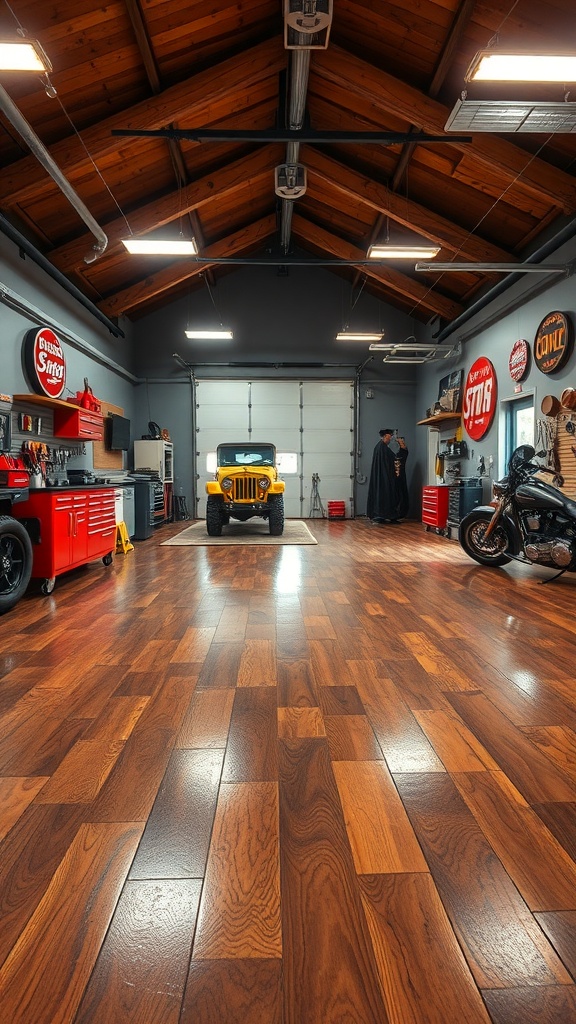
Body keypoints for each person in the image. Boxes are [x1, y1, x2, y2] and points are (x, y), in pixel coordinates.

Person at [366, 428, 400, 523]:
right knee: (387, 493)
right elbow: (390, 459)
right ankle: (385, 514)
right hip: (384, 476)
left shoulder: (379, 447)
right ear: (385, 436)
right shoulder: (383, 448)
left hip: (381, 475)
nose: (390, 438)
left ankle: (381, 514)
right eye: (389, 436)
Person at [394, 435, 409, 520]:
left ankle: (401, 512)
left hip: (400, 477)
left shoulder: (402, 454)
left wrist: (400, 441)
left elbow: (404, 449)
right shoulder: (396, 455)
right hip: (396, 478)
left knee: (401, 495)